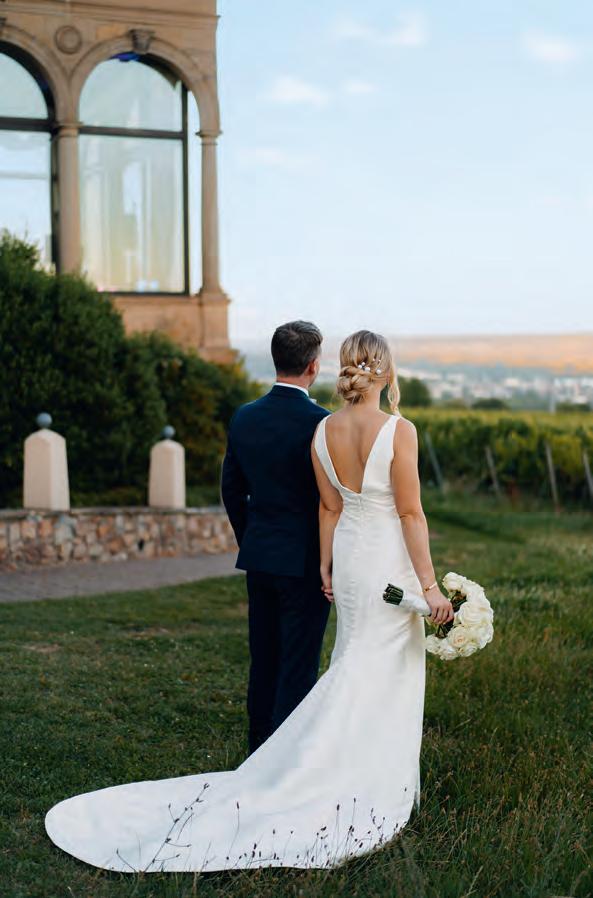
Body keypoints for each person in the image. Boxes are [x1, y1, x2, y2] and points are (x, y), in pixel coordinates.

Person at [44, 329, 453, 873]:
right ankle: (336, 768)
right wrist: (429, 586)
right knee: (365, 664)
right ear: (383, 370)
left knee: (337, 657)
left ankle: (295, 755)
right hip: (382, 560)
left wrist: (321, 562)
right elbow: (410, 513)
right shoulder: (397, 430)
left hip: (343, 560)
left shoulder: (319, 429)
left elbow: (325, 508)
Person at [220, 320, 331, 753]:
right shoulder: (322, 424)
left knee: (263, 657)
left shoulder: (245, 416)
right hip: (305, 562)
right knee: (298, 665)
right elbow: (330, 501)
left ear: (276, 359)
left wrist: (252, 537)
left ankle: (257, 748)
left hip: (261, 555)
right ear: (313, 366)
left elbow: (232, 489)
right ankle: (284, 758)